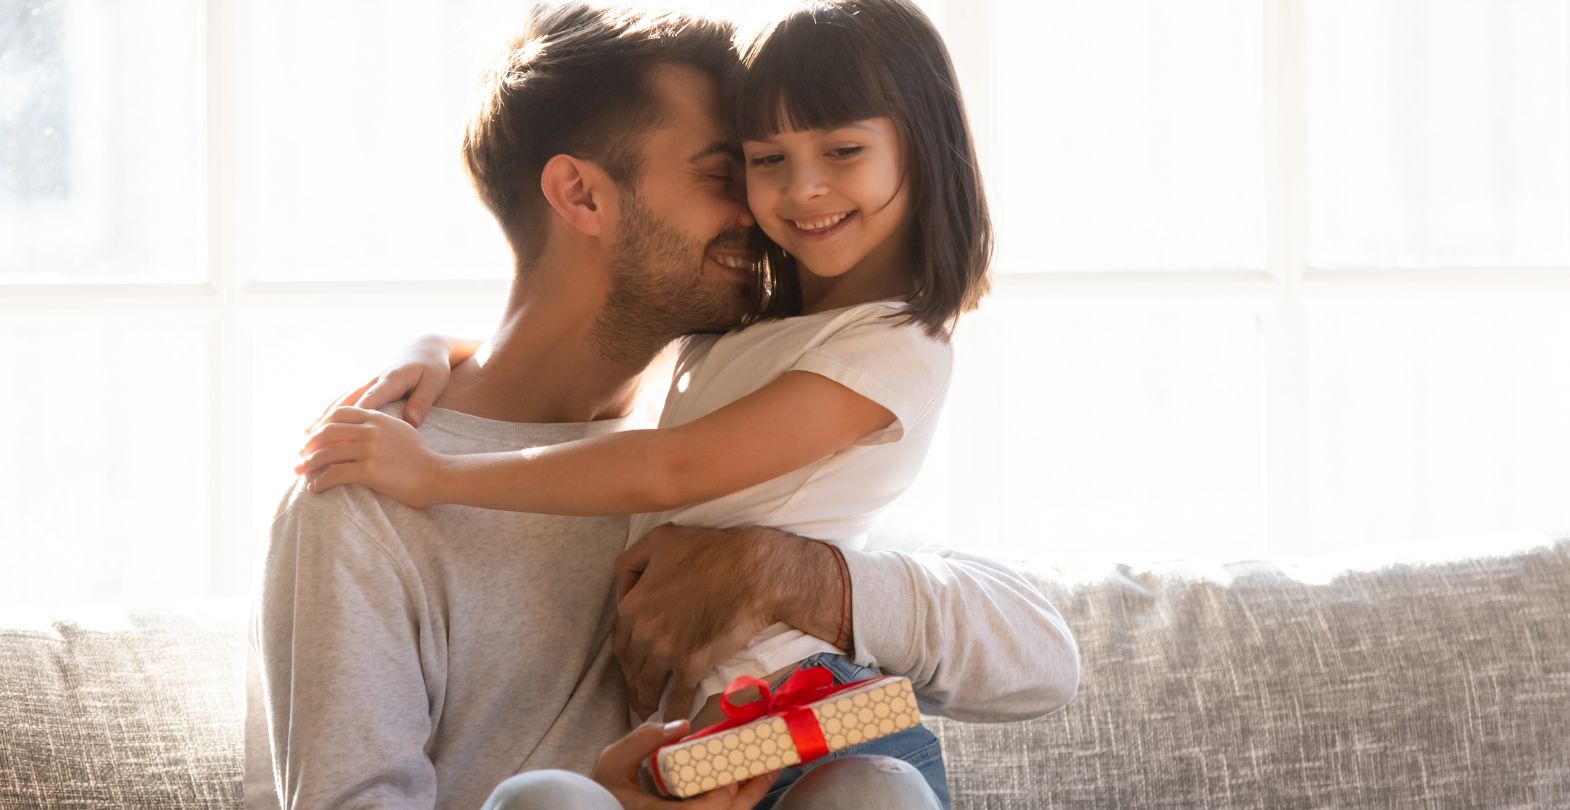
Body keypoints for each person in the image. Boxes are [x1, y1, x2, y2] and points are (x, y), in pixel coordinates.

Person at [251, 3, 1079, 810]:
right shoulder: (367, 497)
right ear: (581, 195)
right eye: (738, 170)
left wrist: (791, 576)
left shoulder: (721, 417)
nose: (773, 209)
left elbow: (1042, 659)